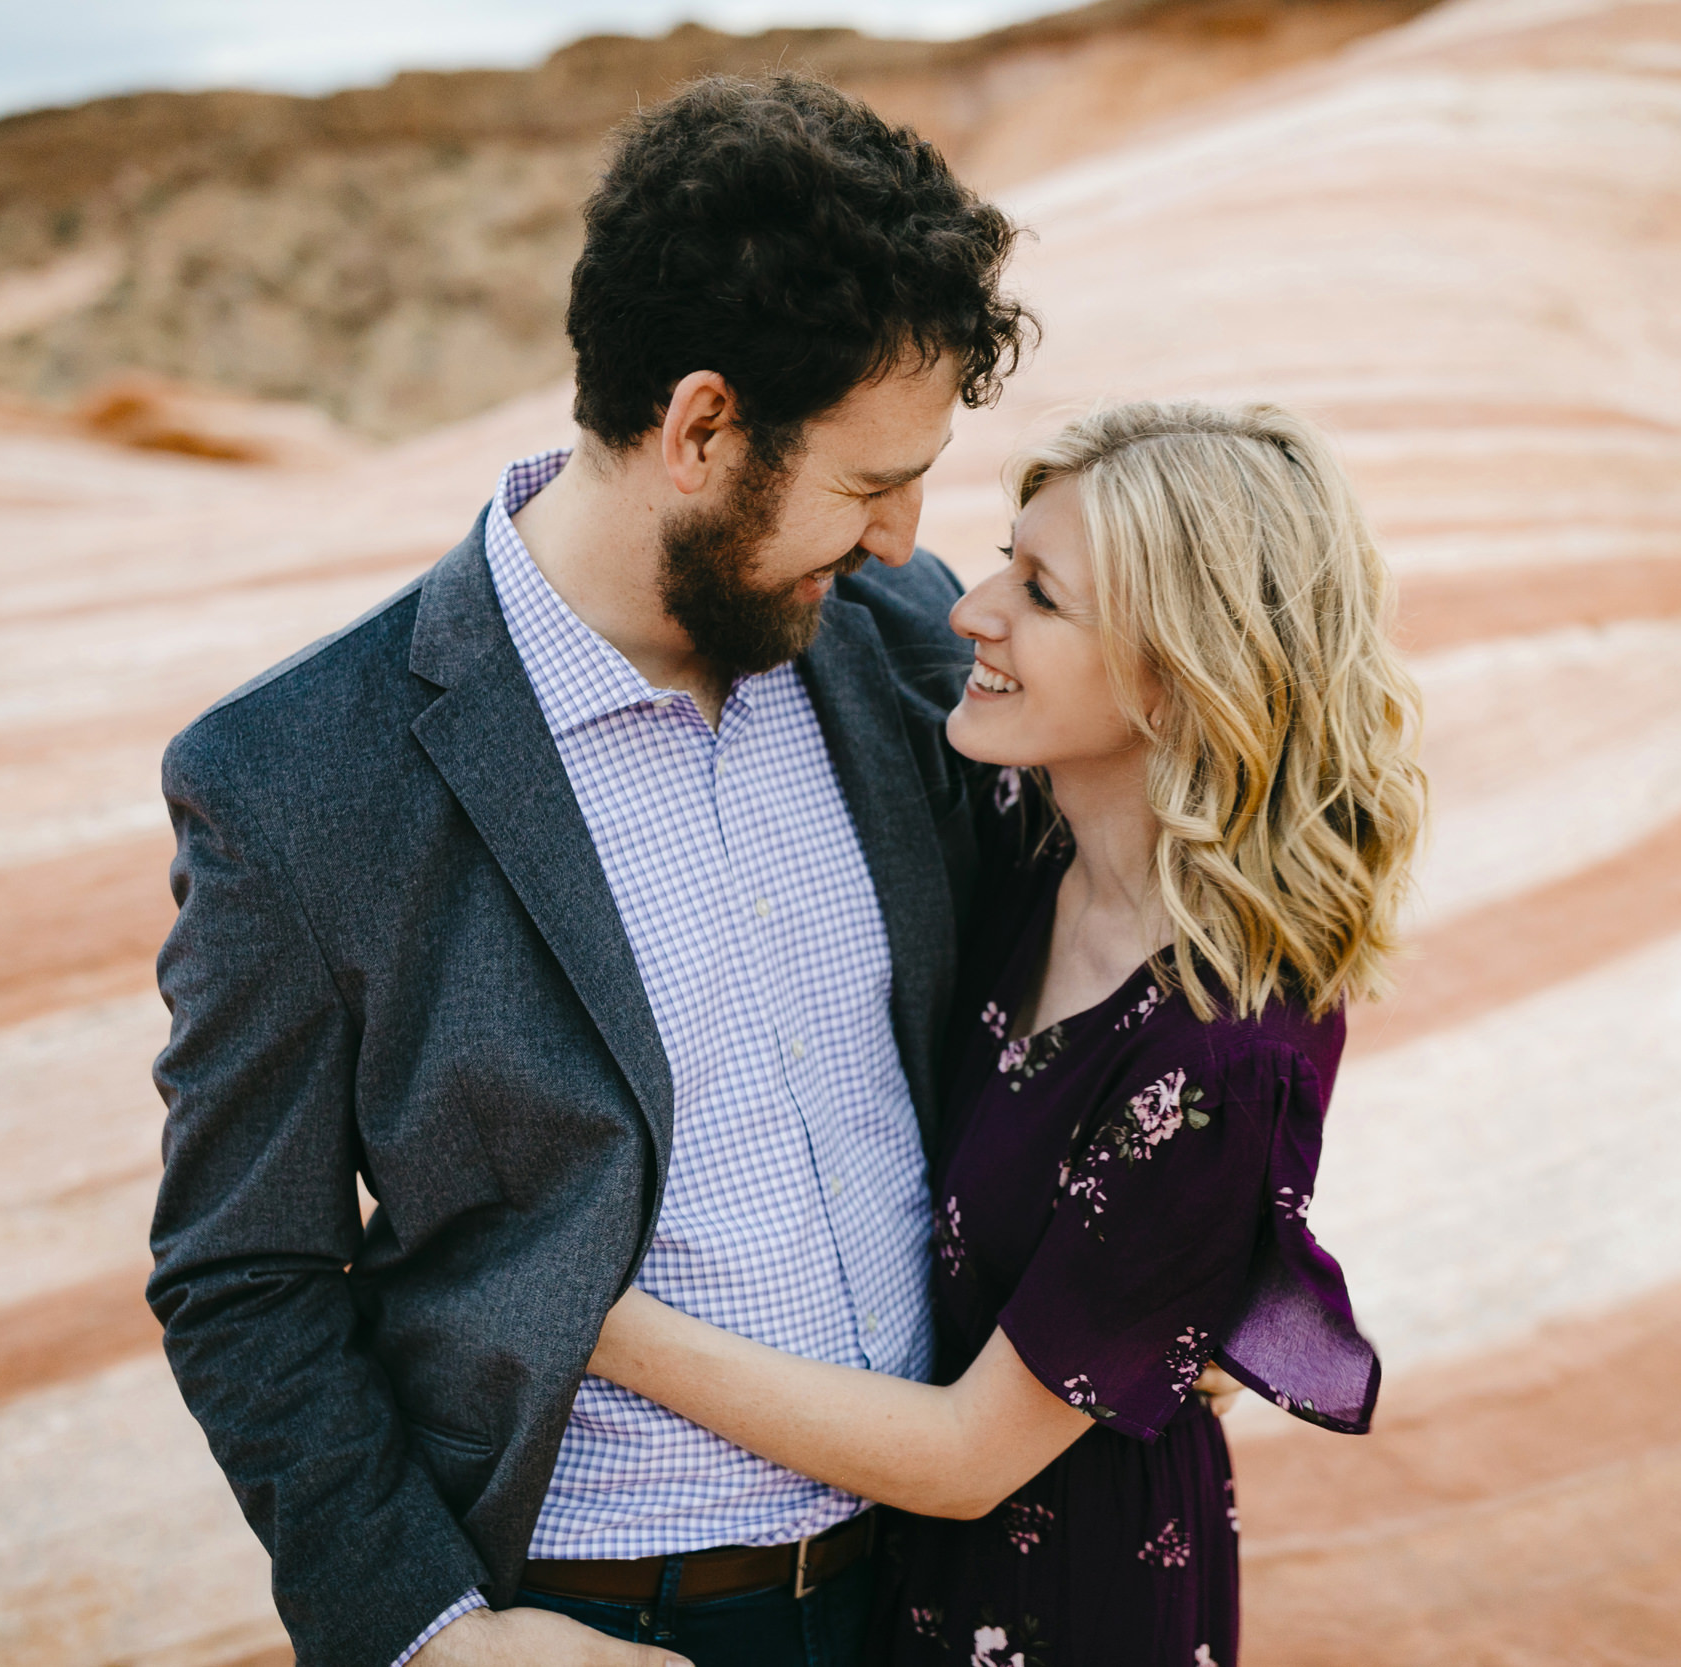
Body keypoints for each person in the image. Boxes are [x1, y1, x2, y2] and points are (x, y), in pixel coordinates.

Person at [147, 74, 1033, 1667]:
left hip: (947, 1589)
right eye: (866, 482)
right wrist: (434, 1636)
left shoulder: (903, 647)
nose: (908, 538)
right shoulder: (296, 780)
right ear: (701, 428)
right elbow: (246, 1274)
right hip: (608, 1619)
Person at [584, 400, 1427, 1667]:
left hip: (1060, 1603)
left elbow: (969, 1456)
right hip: (888, 1572)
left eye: (1039, 592)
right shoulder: (1020, 833)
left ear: (1176, 667)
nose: (970, 610)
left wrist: (582, 1312)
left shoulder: (1218, 1053)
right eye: (1003, 558)